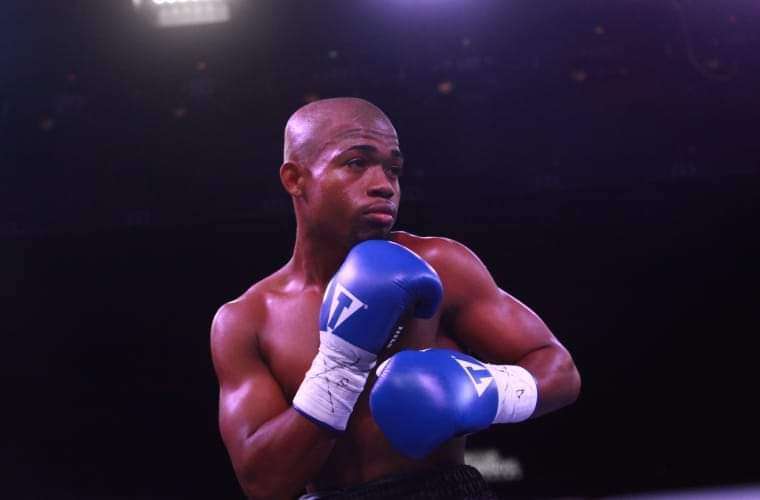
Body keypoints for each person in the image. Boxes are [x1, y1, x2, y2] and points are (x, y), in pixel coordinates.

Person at [210, 97, 581, 499]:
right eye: (356, 163)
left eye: (393, 169)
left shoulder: (440, 264)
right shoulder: (247, 319)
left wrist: (486, 389)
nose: (384, 185)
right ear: (295, 179)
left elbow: (559, 370)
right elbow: (263, 482)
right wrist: (340, 365)